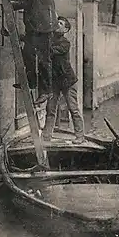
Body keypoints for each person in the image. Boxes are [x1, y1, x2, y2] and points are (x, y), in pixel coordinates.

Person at [0, 0, 58, 105]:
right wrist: (11, 6)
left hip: (44, 28)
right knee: (28, 54)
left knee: (44, 60)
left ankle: (46, 91)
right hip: (35, 28)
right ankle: (31, 82)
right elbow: (27, 3)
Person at [43, 16, 86, 144]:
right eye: (57, 22)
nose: (57, 24)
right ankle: (46, 136)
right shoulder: (49, 38)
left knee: (73, 109)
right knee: (50, 109)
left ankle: (80, 136)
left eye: (61, 23)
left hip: (68, 81)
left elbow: (51, 51)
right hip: (55, 81)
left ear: (65, 29)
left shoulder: (65, 43)